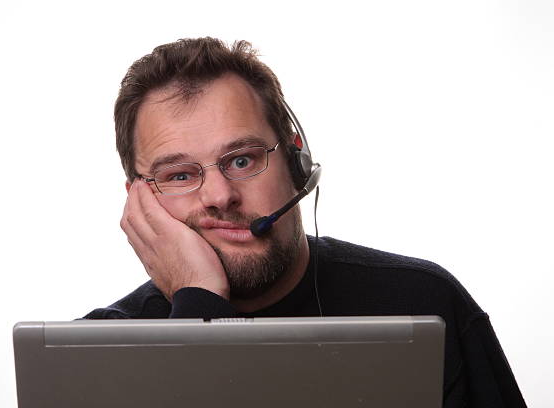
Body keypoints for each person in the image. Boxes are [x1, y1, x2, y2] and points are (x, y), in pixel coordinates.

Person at [84, 37, 526, 407]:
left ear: (297, 160)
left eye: (242, 159)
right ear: (139, 201)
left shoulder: (424, 300)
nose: (220, 196)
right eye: (179, 175)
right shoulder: (90, 359)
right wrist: (199, 305)